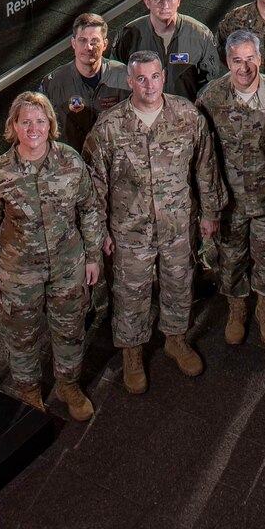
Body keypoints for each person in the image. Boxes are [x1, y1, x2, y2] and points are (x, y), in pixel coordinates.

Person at [82, 50, 221, 396]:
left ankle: (175, 339)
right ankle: (132, 353)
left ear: (163, 76)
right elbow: (94, 187)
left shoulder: (187, 116)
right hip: (130, 230)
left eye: (155, 76)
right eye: (140, 78)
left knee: (179, 283)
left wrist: (209, 212)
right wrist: (99, 234)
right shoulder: (110, 127)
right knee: (131, 292)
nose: (149, 85)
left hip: (177, 223)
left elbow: (205, 167)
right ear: (129, 82)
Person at [0, 92, 102, 423]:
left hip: (67, 268)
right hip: (18, 276)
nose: (33, 128)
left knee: (70, 329)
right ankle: (28, 392)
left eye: (40, 122)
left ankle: (68, 385)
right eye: (25, 122)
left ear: (50, 125)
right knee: (21, 337)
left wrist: (92, 257)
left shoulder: (70, 162)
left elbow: (89, 209)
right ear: (13, 126)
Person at [198, 30, 265, 346]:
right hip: (228, 203)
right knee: (229, 261)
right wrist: (208, 207)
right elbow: (201, 157)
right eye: (237, 60)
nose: (244, 68)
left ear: (259, 58)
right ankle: (237, 308)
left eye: (250, 59)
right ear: (228, 61)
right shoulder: (210, 98)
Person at [114, 0, 221, 103]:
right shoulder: (129, 36)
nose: (164, 5)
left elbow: (211, 86)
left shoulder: (200, 36)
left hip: (186, 118)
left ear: (179, 0)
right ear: (147, 2)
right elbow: (117, 81)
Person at [38, 12, 125, 153]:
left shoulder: (124, 76)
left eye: (95, 41)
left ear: (105, 44)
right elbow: (40, 129)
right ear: (73, 43)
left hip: (114, 159)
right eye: (82, 40)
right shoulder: (53, 83)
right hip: (72, 164)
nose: (88, 47)